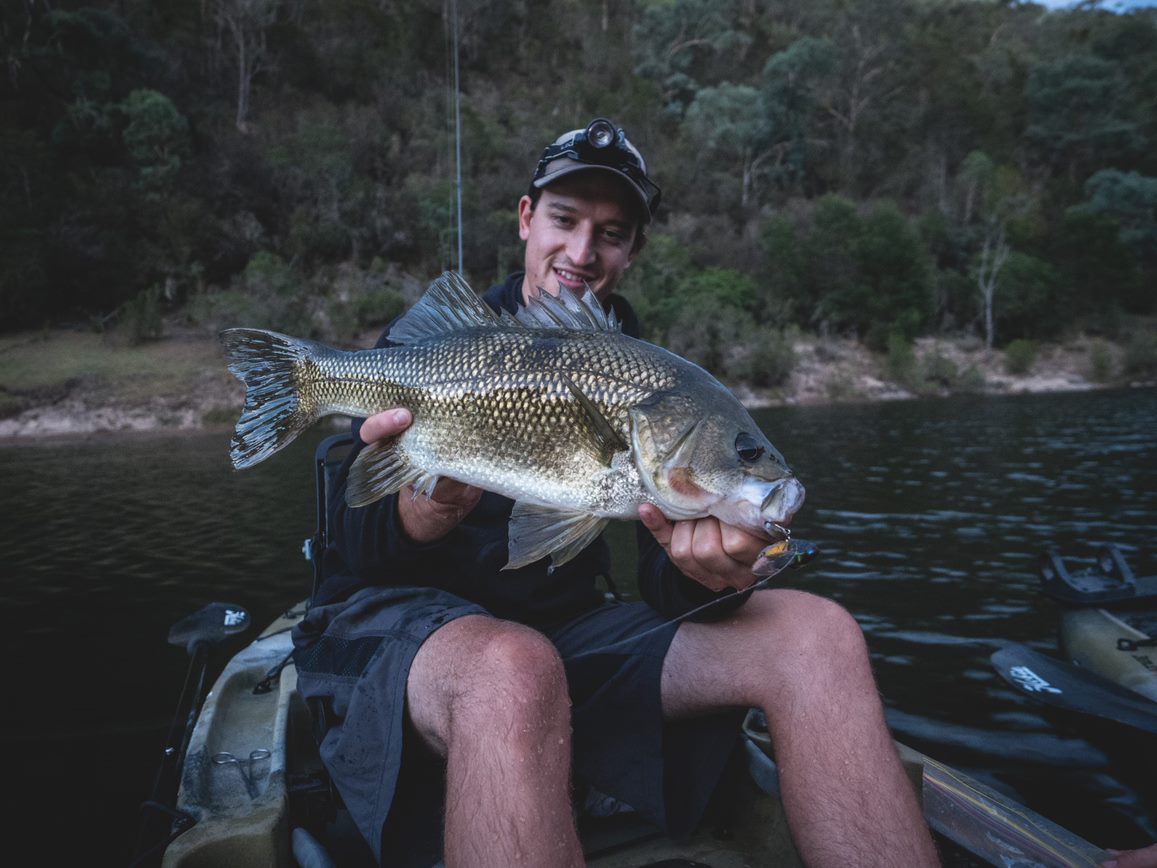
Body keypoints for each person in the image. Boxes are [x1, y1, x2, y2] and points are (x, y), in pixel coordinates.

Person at [292, 118, 941, 867]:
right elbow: (350, 542)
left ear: (630, 250)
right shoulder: (434, 349)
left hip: (564, 634)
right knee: (512, 666)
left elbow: (661, 577)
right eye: (565, 221)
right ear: (527, 217)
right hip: (407, 631)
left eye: (610, 232)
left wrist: (712, 574)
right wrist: (420, 512)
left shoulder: (653, 376)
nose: (581, 252)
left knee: (816, 636)